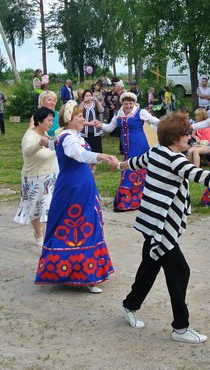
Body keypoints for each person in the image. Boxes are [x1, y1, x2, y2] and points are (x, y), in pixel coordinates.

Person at [117, 113, 210, 343]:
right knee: (180, 271)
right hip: (159, 225)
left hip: (149, 222)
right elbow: (202, 176)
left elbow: (134, 162)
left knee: (150, 266)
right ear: (174, 138)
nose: (189, 137)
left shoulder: (155, 152)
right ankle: (180, 328)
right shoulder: (174, 160)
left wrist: (118, 164)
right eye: (186, 134)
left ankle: (129, 305)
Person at [35, 101, 120, 293]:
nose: (83, 119)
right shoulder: (67, 138)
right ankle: (85, 276)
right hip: (74, 188)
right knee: (80, 226)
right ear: (69, 119)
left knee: (80, 224)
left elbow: (51, 143)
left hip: (80, 185)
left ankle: (75, 272)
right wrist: (102, 156)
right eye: (79, 116)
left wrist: (44, 141)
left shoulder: (67, 136)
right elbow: (78, 154)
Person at [97, 92, 160, 211]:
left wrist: (168, 123)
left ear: (134, 103)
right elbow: (110, 127)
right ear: (122, 103)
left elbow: (153, 121)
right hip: (126, 147)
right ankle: (137, 201)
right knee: (130, 169)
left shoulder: (140, 112)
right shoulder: (118, 114)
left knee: (132, 171)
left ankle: (126, 202)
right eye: (126, 103)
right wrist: (100, 125)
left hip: (139, 145)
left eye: (130, 103)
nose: (128, 106)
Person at [16, 107, 59, 246]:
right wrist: (39, 145)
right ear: (40, 121)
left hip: (48, 177)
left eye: (52, 120)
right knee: (35, 210)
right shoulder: (29, 136)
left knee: (49, 208)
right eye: (49, 120)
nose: (51, 123)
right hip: (33, 179)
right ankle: (38, 234)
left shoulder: (45, 133)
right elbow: (28, 151)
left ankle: (49, 239)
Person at [80, 89, 104, 154]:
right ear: (83, 97)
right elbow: (78, 112)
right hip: (85, 130)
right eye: (86, 96)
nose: (88, 97)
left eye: (89, 95)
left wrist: (96, 101)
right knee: (86, 147)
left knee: (96, 146)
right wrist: (83, 102)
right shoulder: (82, 104)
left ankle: (97, 157)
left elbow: (102, 110)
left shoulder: (95, 104)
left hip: (95, 129)